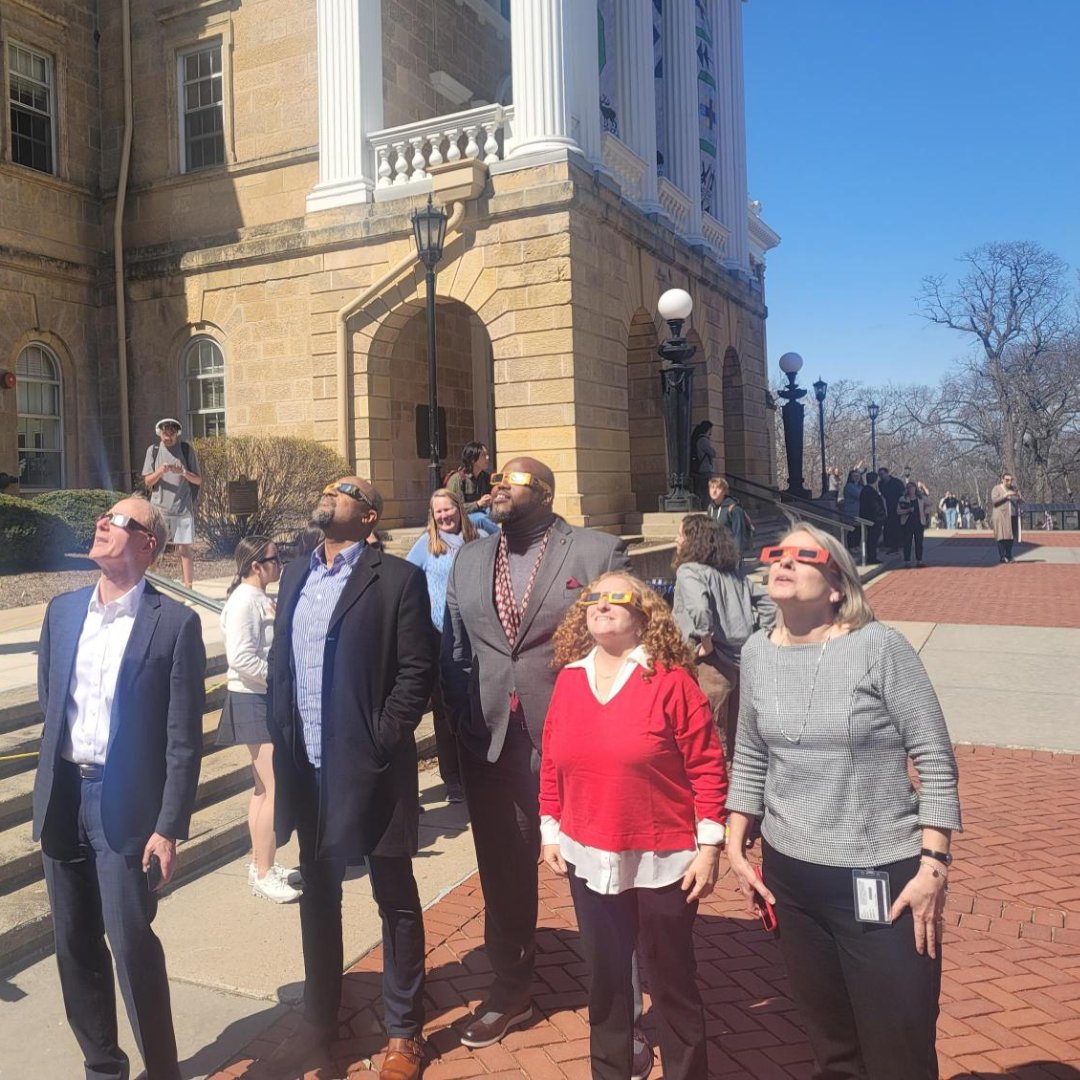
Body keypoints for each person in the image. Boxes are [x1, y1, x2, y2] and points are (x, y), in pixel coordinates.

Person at [725, 524, 961, 1080]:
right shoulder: (757, 652)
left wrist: (934, 865)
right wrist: (735, 840)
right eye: (776, 553)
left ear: (837, 584)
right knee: (833, 1050)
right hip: (792, 879)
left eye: (804, 555)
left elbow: (933, 755)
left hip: (880, 874)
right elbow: (752, 753)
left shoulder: (879, 647)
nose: (784, 562)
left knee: (898, 1047)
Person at [442, 458, 652, 1066]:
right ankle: (512, 990)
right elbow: (456, 649)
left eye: (513, 480)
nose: (497, 486)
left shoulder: (596, 552)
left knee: (605, 879)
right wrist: (461, 716)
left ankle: (624, 1018)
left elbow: (632, 642)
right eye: (495, 480)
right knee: (504, 873)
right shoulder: (469, 559)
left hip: (579, 746)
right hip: (492, 743)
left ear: (547, 491)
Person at [257, 477, 435, 1080]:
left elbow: (417, 673)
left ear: (369, 517)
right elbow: (283, 664)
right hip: (307, 769)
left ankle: (403, 1030)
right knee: (320, 897)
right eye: (329, 487)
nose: (330, 492)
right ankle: (320, 1019)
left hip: (372, 770)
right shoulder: (298, 576)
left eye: (345, 490)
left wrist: (379, 737)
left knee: (395, 897)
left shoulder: (398, 580)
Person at [33, 497, 206, 1080]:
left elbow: (184, 738)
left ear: (148, 544)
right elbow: (51, 703)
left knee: (132, 945)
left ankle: (163, 1070)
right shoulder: (61, 613)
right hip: (64, 801)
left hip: (128, 808)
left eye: (121, 520)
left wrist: (169, 825)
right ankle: (103, 1068)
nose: (103, 523)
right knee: (75, 946)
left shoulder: (176, 623)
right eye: (103, 517)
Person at [540, 573, 728, 1080]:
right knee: (606, 985)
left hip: (663, 859)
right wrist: (550, 828)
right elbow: (552, 760)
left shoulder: (669, 680)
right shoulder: (570, 678)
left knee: (672, 984)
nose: (601, 605)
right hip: (587, 854)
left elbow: (708, 766)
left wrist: (710, 844)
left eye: (616, 597)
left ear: (644, 613)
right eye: (592, 598)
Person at [215, 536, 300, 904]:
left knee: (263, 789)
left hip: (262, 698)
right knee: (273, 786)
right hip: (253, 699)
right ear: (255, 565)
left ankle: (261, 862)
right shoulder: (243, 601)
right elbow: (241, 658)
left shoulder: (259, 597)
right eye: (274, 558)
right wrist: (280, 680)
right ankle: (264, 873)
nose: (279, 563)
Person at [405, 487, 486, 804]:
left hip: (477, 637)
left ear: (459, 509)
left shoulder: (478, 538)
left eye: (448, 510)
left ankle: (476, 771)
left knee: (477, 705)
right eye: (438, 512)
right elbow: (406, 582)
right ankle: (452, 778)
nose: (444, 516)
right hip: (440, 639)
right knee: (445, 709)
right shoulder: (426, 546)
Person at [672, 514, 774, 757]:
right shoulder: (733, 573)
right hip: (739, 660)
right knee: (738, 733)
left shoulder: (689, 571)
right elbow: (769, 603)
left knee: (711, 733)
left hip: (710, 660)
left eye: (680, 534)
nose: (676, 539)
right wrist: (761, 633)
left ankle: (719, 790)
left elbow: (699, 607)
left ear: (693, 540)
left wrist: (703, 639)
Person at [142, 419, 202, 589]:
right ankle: (151, 586)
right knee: (154, 550)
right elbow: (147, 481)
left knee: (184, 549)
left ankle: (188, 588)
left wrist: (183, 472)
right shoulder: (153, 451)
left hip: (182, 509)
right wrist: (160, 471)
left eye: (171, 432)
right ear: (159, 432)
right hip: (159, 511)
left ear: (177, 433)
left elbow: (198, 480)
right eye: (164, 432)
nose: (168, 435)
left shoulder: (186, 450)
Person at [704, 475, 751, 558]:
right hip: (714, 552)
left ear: (724, 491)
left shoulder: (733, 508)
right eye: (712, 488)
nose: (714, 491)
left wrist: (737, 554)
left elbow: (739, 533)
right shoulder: (710, 507)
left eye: (718, 488)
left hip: (729, 552)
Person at [446, 440, 493, 515]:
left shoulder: (486, 477)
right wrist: (477, 504)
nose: (487, 458)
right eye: (483, 455)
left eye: (487, 454)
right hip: (465, 517)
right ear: (473, 460)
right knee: (481, 519)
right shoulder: (457, 480)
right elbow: (456, 507)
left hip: (483, 512)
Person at [990, 473, 1023, 563]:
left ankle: (1009, 555)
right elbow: (994, 501)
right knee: (1001, 536)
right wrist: (1005, 495)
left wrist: (1018, 496)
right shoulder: (996, 489)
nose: (1009, 482)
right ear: (1002, 479)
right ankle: (1002, 556)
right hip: (1001, 516)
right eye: (1007, 480)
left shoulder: (1014, 489)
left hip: (1012, 515)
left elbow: (1021, 501)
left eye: (1010, 480)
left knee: (1010, 536)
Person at [898, 481, 931, 568]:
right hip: (907, 522)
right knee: (907, 542)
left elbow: (929, 503)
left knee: (919, 542)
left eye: (912, 488)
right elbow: (898, 511)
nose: (911, 490)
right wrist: (907, 510)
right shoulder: (903, 499)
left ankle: (919, 560)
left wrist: (926, 512)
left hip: (919, 522)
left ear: (915, 489)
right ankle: (907, 561)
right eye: (909, 488)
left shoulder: (921, 499)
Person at [858, 470, 887, 563]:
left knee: (872, 538)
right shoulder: (870, 491)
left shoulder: (865, 490)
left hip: (870, 518)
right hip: (873, 519)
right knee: (872, 539)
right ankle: (871, 558)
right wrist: (882, 516)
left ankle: (872, 556)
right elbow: (875, 506)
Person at [688, 420, 716, 506]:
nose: (711, 431)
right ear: (708, 429)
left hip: (702, 469)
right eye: (711, 429)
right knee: (706, 492)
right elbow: (712, 453)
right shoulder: (703, 440)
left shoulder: (700, 439)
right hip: (704, 469)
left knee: (703, 491)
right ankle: (705, 509)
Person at [877, 467, 904, 554]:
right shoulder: (880, 483)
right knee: (888, 526)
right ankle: (888, 543)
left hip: (896, 505)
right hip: (886, 507)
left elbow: (902, 494)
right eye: (880, 475)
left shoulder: (896, 482)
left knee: (896, 526)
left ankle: (898, 544)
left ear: (887, 473)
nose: (881, 476)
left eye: (882, 474)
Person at [841, 469, 864, 551]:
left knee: (859, 530)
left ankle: (857, 545)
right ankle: (851, 546)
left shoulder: (861, 486)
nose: (856, 478)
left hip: (860, 510)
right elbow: (859, 495)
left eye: (858, 476)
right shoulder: (849, 486)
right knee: (852, 529)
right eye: (854, 476)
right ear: (850, 477)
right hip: (851, 511)